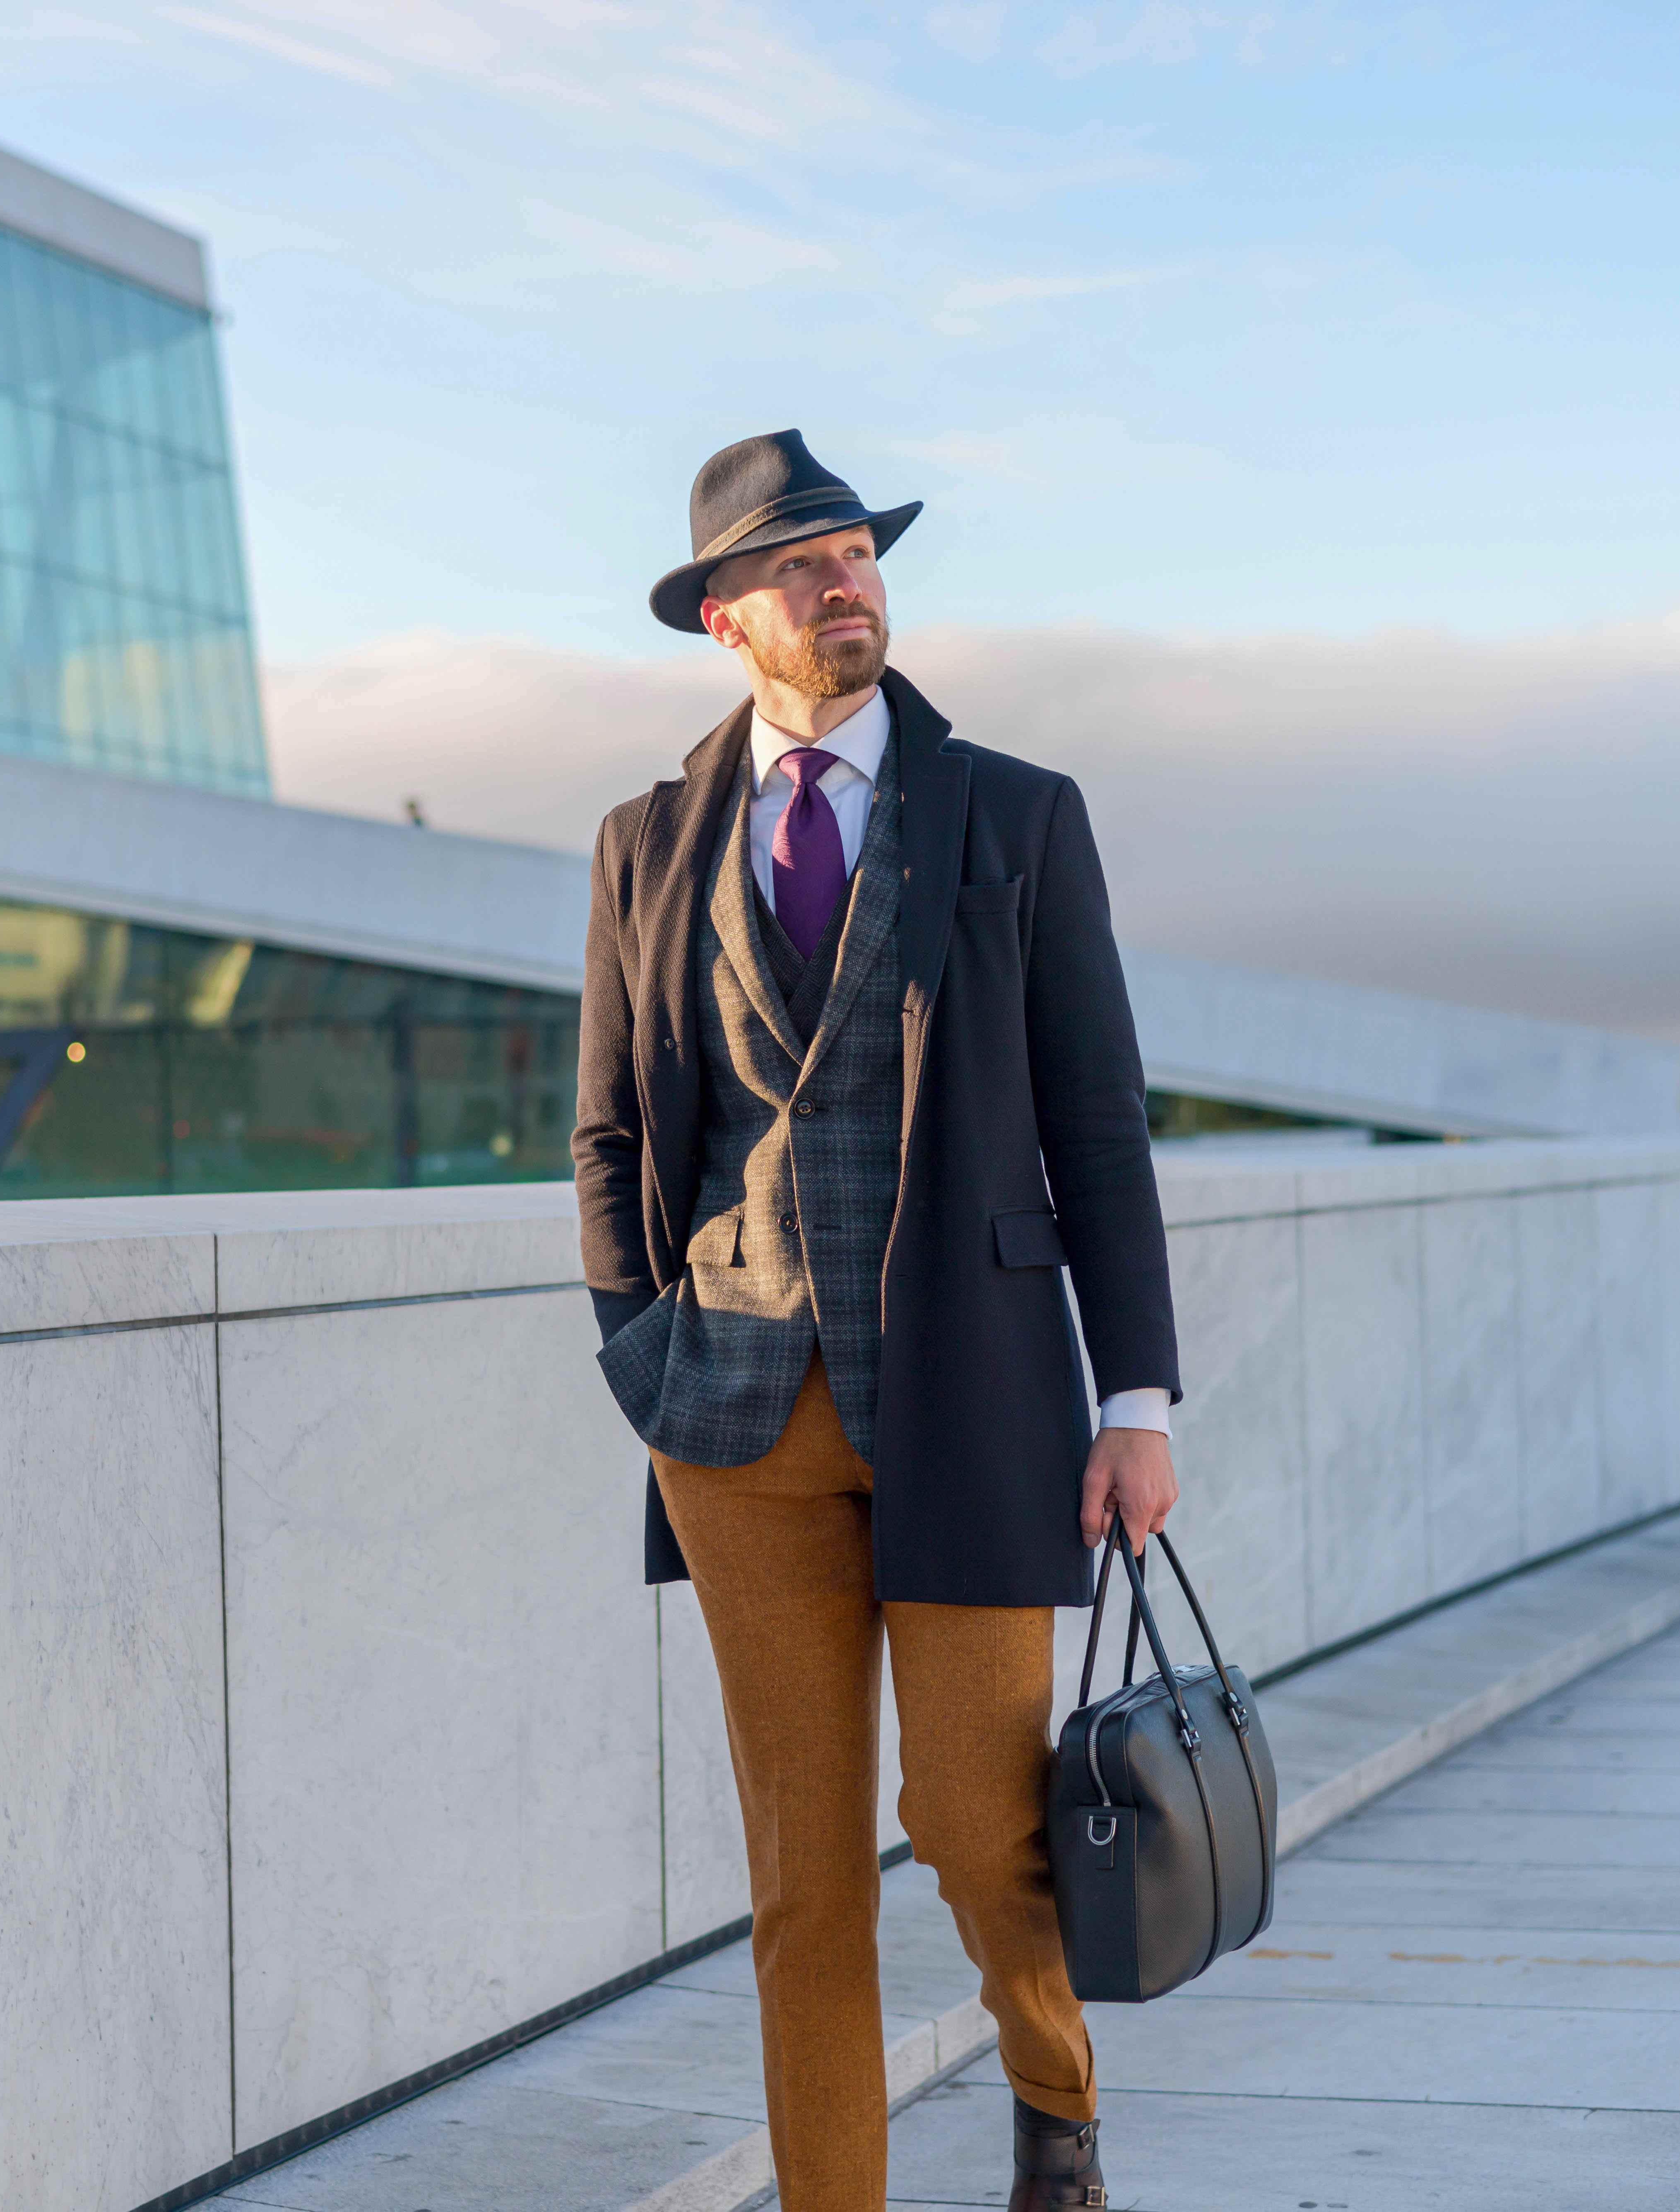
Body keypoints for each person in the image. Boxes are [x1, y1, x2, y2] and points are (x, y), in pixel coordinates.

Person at [576, 429, 1181, 2212]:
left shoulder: (1016, 812)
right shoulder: (642, 844)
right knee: (802, 1878)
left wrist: (1133, 1398)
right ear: (725, 619)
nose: (847, 583)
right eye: (802, 565)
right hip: (734, 1418)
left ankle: (1054, 2103)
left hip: (973, 1399)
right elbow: (614, 1128)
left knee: (982, 1831)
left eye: (857, 553)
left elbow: (1100, 1117)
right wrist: (639, 1345)